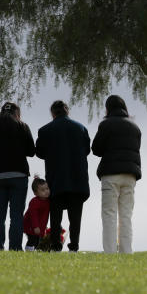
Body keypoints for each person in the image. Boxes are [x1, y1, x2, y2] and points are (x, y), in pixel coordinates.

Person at [35, 100, 90, 252]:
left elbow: (39, 152)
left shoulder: (45, 130)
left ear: (52, 113)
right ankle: (74, 247)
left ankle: (56, 246)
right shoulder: (81, 128)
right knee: (75, 217)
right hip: (77, 179)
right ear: (67, 111)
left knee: (55, 216)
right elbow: (87, 150)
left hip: (56, 179)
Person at [91, 95, 142, 254]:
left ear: (108, 108)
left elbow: (96, 149)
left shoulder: (106, 124)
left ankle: (110, 252)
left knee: (109, 214)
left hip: (111, 174)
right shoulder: (135, 127)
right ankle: (127, 251)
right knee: (126, 215)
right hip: (130, 175)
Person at [0, 101, 35, 250]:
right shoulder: (22, 126)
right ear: (17, 113)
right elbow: (31, 151)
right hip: (19, 175)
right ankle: (15, 248)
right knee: (16, 215)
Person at [23, 176, 51, 250]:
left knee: (37, 240)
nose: (46, 191)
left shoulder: (48, 201)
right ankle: (28, 250)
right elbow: (33, 215)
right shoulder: (34, 202)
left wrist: (43, 227)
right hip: (30, 225)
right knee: (32, 239)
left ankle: (31, 250)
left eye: (47, 188)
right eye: (42, 190)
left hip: (40, 226)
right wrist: (35, 226)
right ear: (35, 193)